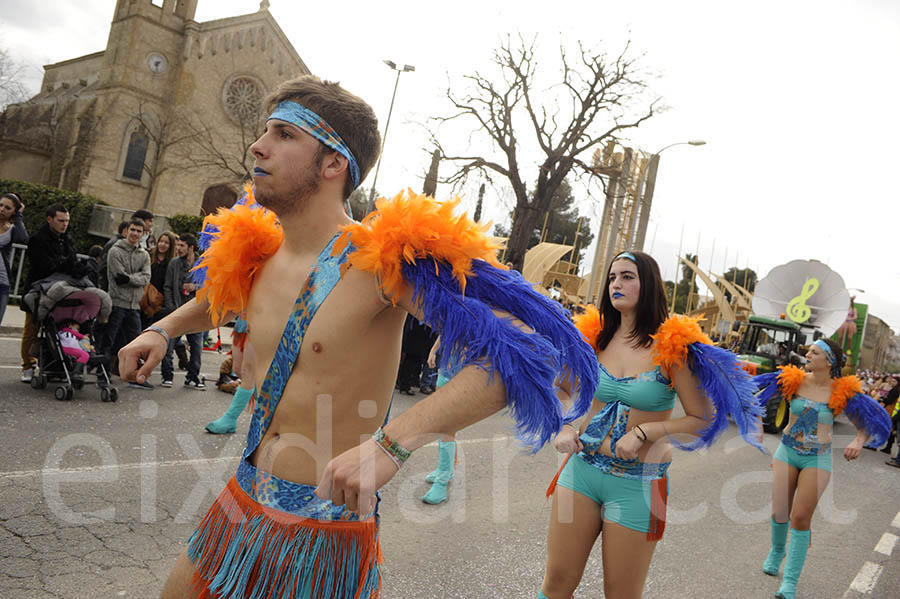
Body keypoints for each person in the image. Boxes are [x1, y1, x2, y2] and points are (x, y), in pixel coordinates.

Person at [118, 74, 598, 599]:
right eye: (264, 131)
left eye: (283, 134)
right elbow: (219, 302)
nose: (258, 145)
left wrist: (393, 445)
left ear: (332, 165)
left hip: (323, 531)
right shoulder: (261, 253)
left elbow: (524, 358)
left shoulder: (378, 264)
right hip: (242, 495)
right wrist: (164, 329)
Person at [540, 250, 765, 599]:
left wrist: (647, 432)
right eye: (613, 277)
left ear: (649, 284)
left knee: (622, 594)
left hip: (638, 485)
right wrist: (565, 425)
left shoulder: (672, 347)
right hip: (581, 472)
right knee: (556, 585)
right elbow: (562, 388)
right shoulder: (594, 337)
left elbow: (702, 419)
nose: (617, 283)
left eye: (627, 276)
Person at [754, 338, 891, 599]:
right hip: (787, 451)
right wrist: (757, 423)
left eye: (814, 352)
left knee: (801, 517)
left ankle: (790, 582)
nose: (807, 354)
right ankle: (777, 550)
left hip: (816, 458)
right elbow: (757, 400)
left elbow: (865, 423)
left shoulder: (842, 391)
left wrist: (858, 440)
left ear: (828, 361)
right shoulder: (792, 380)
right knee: (780, 510)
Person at [20, 203, 78, 383]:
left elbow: (72, 261)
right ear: (49, 219)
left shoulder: (67, 240)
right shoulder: (38, 239)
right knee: (31, 329)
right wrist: (63, 264)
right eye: (61, 220)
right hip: (38, 291)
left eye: (67, 221)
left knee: (60, 329)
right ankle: (28, 365)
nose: (64, 224)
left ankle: (56, 365)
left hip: (60, 291)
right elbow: (42, 265)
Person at [106, 218, 151, 384]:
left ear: (143, 234)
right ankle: (103, 372)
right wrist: (135, 278)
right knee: (109, 340)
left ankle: (136, 376)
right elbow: (118, 277)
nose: (135, 234)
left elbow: (146, 278)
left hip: (134, 305)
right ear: (126, 230)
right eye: (133, 230)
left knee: (136, 341)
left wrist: (129, 278)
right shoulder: (115, 251)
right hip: (117, 302)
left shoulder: (144, 254)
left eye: (139, 231)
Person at [162, 233, 205, 390]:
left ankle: (192, 377)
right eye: (178, 245)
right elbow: (167, 286)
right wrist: (171, 307)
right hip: (177, 310)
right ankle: (167, 375)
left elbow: (210, 286)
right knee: (169, 344)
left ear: (191, 248)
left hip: (196, 313)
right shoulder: (174, 263)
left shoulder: (203, 264)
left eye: (182, 246)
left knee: (197, 347)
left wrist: (196, 287)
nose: (178, 249)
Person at [421, 336, 457, 505]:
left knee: (447, 427)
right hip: (446, 368)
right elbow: (447, 328)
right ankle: (445, 471)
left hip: (463, 372)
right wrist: (434, 350)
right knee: (440, 423)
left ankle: (441, 482)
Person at [0, 192, 28, 325]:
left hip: (2, 283)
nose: (2, 209)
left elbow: (22, 238)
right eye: (0, 205)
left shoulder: (11, 230)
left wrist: (18, 216)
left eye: (7, 208)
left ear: (14, 212)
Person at [142, 231, 177, 328]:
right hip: (144, 298)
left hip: (159, 302)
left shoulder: (172, 263)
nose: (163, 244)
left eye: (166, 243)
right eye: (161, 241)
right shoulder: (149, 256)